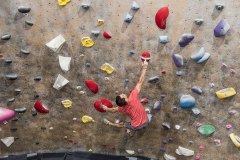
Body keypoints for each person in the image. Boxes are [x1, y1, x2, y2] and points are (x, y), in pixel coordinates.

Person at [102, 60, 152, 136]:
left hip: (135, 126)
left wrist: (105, 108)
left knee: (123, 124)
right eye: (122, 95)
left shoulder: (121, 108)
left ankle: (121, 128)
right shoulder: (133, 96)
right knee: (148, 115)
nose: (122, 94)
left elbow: (113, 110)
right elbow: (140, 81)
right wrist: (145, 67)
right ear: (125, 99)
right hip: (146, 121)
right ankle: (110, 123)